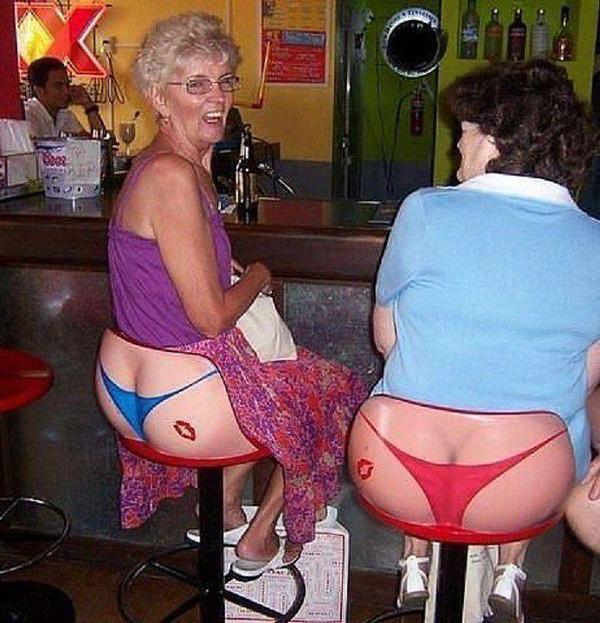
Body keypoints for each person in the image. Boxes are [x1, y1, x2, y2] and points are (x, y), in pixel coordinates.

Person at [107, 11, 365, 573]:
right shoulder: (175, 176)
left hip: (141, 376)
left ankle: (222, 509)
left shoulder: (167, 164)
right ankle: (258, 535)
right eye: (196, 84)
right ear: (159, 96)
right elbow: (209, 319)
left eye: (224, 81)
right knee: (339, 391)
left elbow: (169, 264)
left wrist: (224, 265)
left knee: (276, 376)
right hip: (182, 390)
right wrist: (260, 275)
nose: (217, 97)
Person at [372, 59, 600, 622]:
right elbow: (588, 374)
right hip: (527, 483)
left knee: (408, 386)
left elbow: (386, 339)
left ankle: (415, 559)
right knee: (555, 412)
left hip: (402, 468)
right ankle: (511, 569)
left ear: (496, 140)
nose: (457, 147)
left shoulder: (424, 211)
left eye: (466, 131)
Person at [25, 56, 106, 138]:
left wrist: (88, 104)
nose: (66, 91)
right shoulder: (28, 115)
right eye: (58, 86)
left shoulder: (65, 114)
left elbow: (98, 142)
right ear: (39, 91)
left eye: (67, 84)